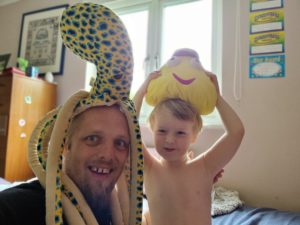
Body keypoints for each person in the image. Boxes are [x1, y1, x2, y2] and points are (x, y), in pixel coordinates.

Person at [134, 70, 245, 225]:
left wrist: (216, 98)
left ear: (194, 136)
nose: (170, 140)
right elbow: (128, 128)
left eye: (180, 133)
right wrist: (142, 90)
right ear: (152, 129)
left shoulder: (205, 166)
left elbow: (236, 132)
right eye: (162, 131)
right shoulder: (149, 167)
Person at [0, 104, 131, 225]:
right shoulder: (12, 209)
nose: (107, 155)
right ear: (65, 146)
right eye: (93, 138)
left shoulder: (122, 214)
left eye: (120, 143)